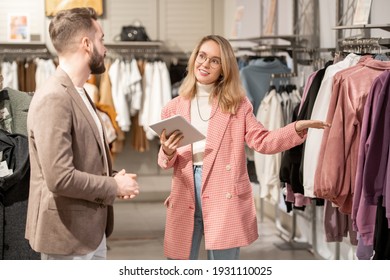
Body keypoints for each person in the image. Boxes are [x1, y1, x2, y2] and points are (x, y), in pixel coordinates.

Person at [158, 34, 330, 260]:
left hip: (223, 190)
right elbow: (164, 160)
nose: (205, 64)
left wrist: (296, 128)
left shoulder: (237, 105)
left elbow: (263, 141)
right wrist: (167, 151)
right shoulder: (173, 107)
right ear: (194, 59)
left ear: (224, 68)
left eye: (215, 60)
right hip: (185, 189)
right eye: (202, 56)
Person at [25, 7, 140, 260]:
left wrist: (113, 178)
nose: (105, 48)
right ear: (87, 44)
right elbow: (59, 177)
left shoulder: (80, 91)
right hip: (66, 237)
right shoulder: (55, 96)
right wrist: (113, 185)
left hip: (89, 232)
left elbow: (83, 156)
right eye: (101, 39)